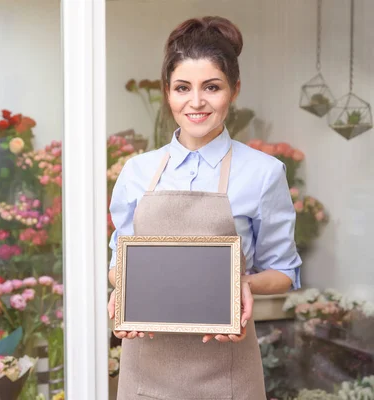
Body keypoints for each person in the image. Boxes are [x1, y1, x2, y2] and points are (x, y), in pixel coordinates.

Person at [106, 16, 302, 400]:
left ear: (234, 90)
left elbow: (284, 271)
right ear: (168, 93)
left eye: (211, 87)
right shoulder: (137, 171)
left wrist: (241, 284)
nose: (196, 102)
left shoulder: (263, 173)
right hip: (144, 371)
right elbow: (119, 262)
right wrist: (120, 290)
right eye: (182, 88)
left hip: (226, 373)